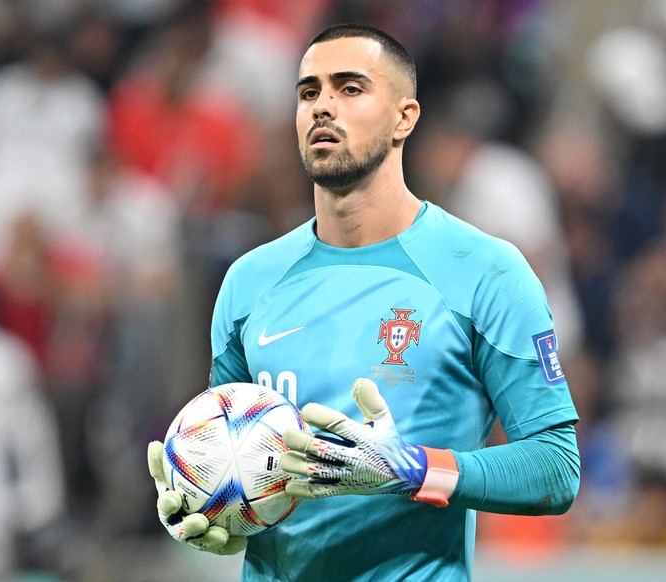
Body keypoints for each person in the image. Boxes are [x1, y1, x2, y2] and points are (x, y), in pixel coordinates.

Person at [148, 23, 580, 581]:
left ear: (405, 117)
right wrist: (212, 508)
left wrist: (414, 470)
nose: (323, 106)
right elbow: (246, 479)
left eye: (350, 88)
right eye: (309, 92)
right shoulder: (248, 283)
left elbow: (555, 467)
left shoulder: (486, 273)